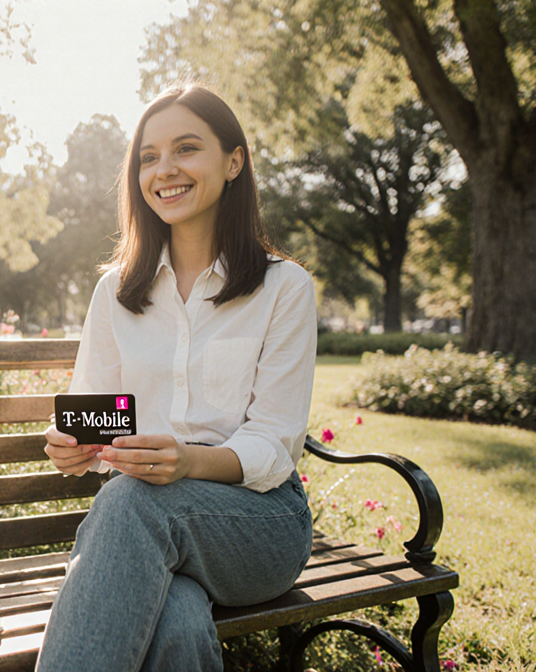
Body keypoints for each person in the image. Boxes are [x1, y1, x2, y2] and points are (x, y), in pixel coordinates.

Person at [35, 84, 317, 672]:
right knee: (177, 621)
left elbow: (275, 442)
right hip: (145, 527)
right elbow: (96, 417)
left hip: (259, 523)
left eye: (186, 148)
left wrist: (188, 462)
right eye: (148, 156)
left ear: (233, 161)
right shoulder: (113, 292)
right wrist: (75, 448)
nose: (165, 170)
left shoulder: (285, 288)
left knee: (135, 504)